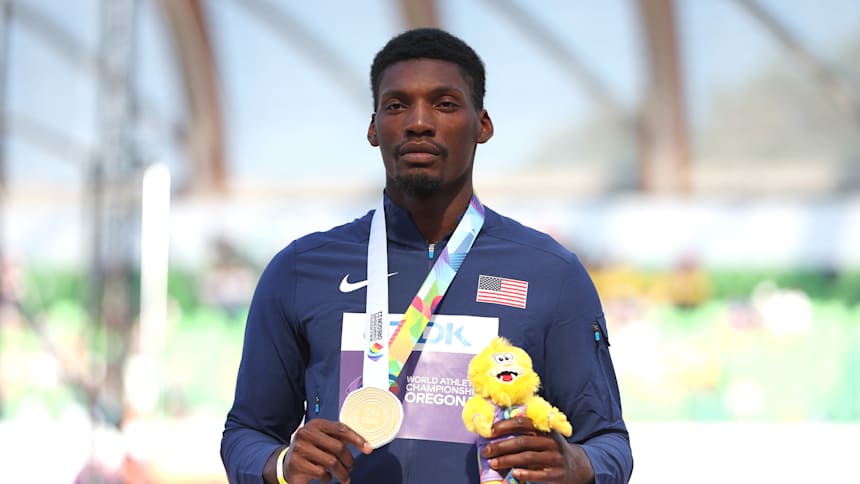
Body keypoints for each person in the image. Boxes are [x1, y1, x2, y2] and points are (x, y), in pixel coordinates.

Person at [221, 28, 633, 484]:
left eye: (445, 103)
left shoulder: (551, 274)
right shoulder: (299, 270)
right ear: (374, 127)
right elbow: (246, 431)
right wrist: (279, 464)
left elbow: (609, 442)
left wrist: (578, 465)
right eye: (397, 105)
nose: (419, 121)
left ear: (483, 124)